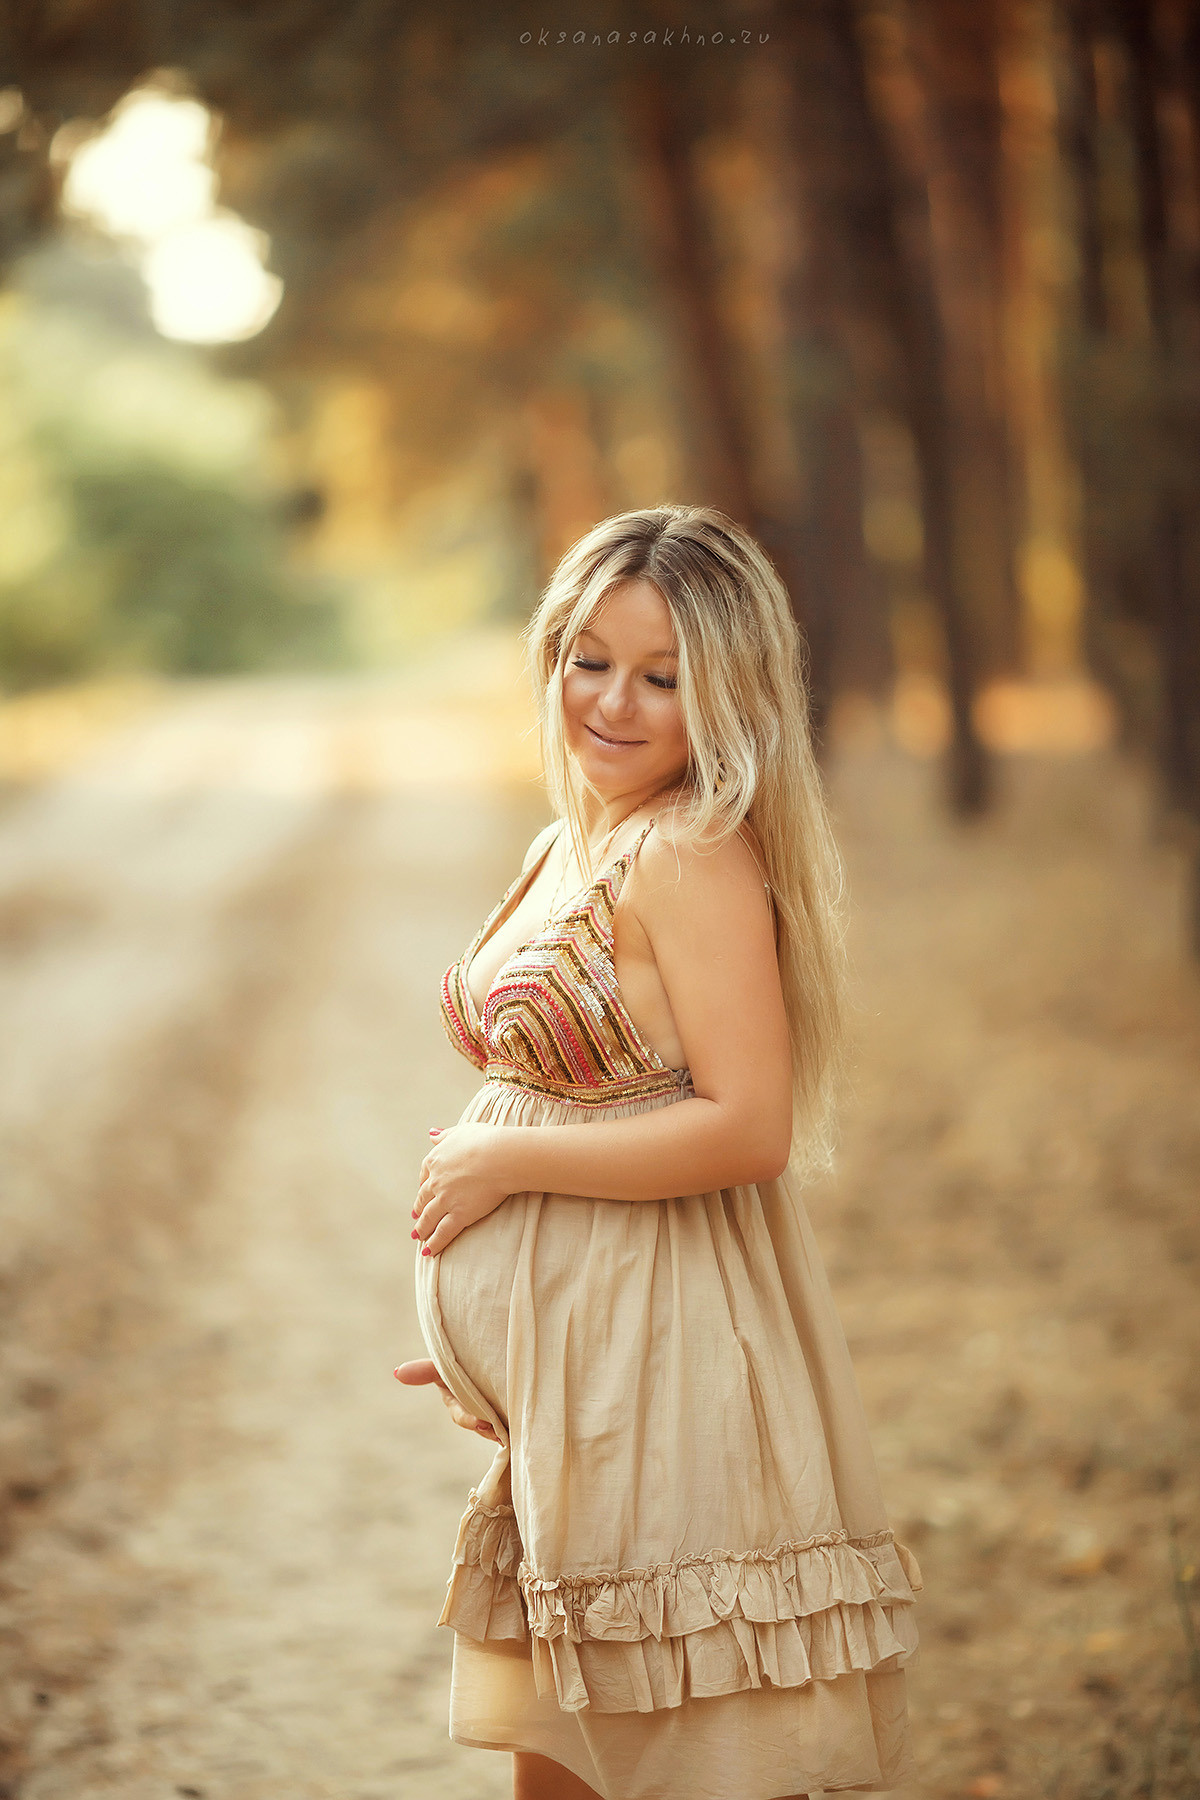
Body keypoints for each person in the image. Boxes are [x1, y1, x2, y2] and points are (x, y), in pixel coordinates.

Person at [396, 505, 921, 1800]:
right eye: (590, 659)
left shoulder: (688, 852)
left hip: (662, 1368)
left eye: (663, 677)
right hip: (587, 1377)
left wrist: (507, 1173)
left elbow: (746, 1126)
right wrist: (506, 1333)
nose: (613, 702)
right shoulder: (570, 838)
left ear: (726, 697)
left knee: (683, 1758)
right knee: (567, 1757)